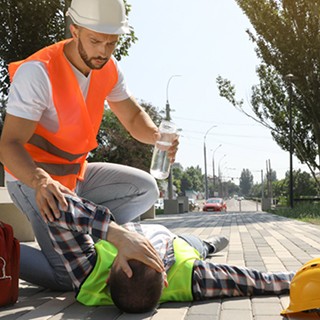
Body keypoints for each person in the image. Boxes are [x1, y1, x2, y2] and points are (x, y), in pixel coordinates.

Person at [0, 0, 178, 291]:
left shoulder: (109, 68)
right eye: (96, 40)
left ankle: (86, 238)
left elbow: (133, 118)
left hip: (76, 175)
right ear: (75, 30)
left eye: (111, 42)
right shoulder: (38, 72)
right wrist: (40, 180)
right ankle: (4, 250)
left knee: (145, 188)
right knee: (72, 277)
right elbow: (8, 145)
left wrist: (157, 135)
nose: (103, 51)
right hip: (33, 179)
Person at [47, 194, 294, 314]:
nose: (139, 247)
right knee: (201, 247)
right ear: (165, 280)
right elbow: (254, 281)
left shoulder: (89, 275)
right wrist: (297, 278)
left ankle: (209, 244)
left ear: (108, 279)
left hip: (130, 227)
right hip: (181, 244)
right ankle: (210, 245)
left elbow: (56, 208)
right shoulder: (194, 278)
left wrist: (116, 235)